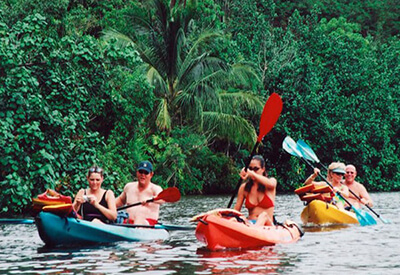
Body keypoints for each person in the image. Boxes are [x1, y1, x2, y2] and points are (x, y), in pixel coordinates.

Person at [115, 161, 163, 225]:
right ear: (137, 173)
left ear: (151, 174)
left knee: (139, 220)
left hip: (148, 224)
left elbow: (162, 199)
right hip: (128, 223)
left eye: (146, 173)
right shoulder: (129, 187)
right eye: (141, 172)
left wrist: (151, 199)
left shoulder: (156, 189)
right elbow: (120, 201)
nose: (143, 175)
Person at [234, 155, 277, 226]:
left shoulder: (271, 182)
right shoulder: (244, 188)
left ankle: (253, 230)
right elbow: (236, 210)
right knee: (235, 219)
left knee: (263, 215)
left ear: (263, 169)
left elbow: (272, 184)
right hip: (250, 223)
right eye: (250, 169)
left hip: (267, 225)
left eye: (256, 169)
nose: (253, 171)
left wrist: (251, 173)